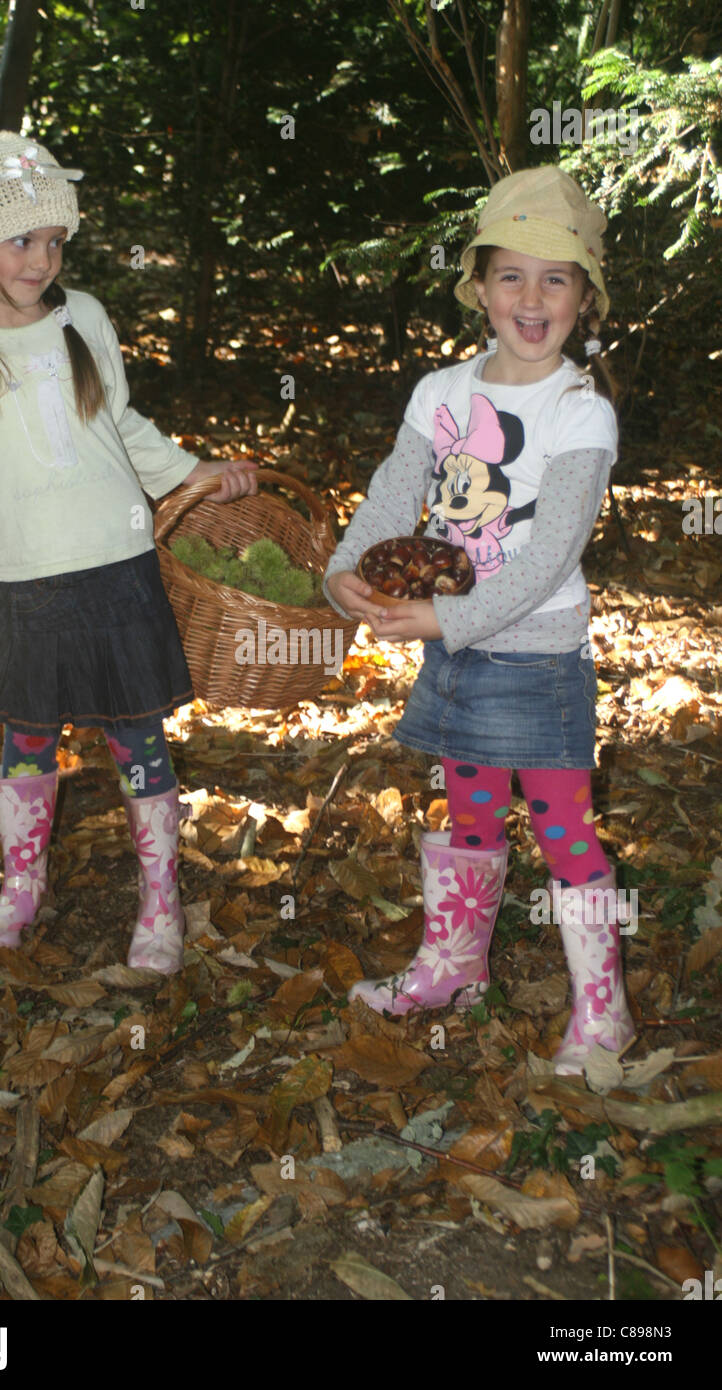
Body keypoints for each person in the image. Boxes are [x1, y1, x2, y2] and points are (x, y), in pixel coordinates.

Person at [0, 131, 257, 972]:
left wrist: (196, 474)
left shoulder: (83, 318)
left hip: (117, 566)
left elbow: (118, 426)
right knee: (26, 734)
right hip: (26, 584)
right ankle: (22, 885)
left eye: (55, 241)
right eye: (23, 240)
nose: (43, 259)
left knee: (137, 731)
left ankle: (161, 899)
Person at [324, 166, 636, 1076]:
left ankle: (603, 1014)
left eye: (556, 279)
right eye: (512, 276)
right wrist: (347, 568)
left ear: (584, 295)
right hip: (453, 651)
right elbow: (395, 493)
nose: (531, 299)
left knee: (564, 828)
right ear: (480, 287)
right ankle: (456, 968)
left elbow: (546, 560)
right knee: (470, 814)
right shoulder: (440, 392)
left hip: (535, 659)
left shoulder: (582, 413)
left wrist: (438, 616)